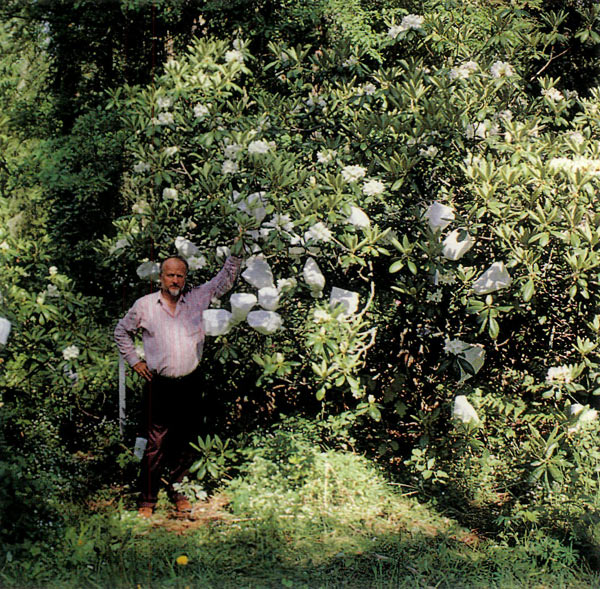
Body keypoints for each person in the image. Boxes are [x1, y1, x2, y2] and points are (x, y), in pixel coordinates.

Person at [114, 252, 242, 518]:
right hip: (158, 384)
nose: (175, 279)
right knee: (155, 443)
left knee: (183, 441)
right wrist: (134, 361)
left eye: (179, 275)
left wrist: (237, 251)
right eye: (170, 274)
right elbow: (121, 331)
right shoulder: (145, 305)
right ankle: (147, 500)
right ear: (161, 277)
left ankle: (180, 494)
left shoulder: (197, 298)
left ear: (185, 278)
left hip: (189, 383)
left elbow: (224, 280)